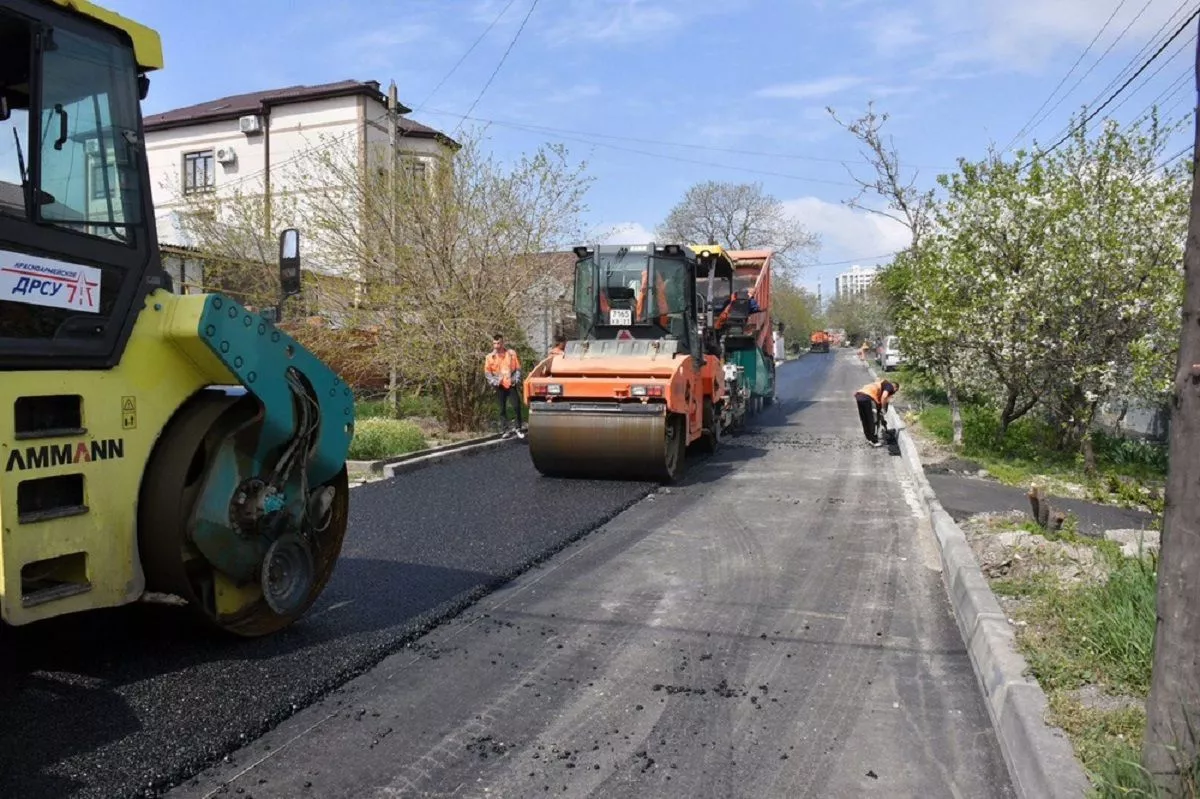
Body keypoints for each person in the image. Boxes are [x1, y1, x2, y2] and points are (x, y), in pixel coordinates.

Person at [485, 333, 525, 439]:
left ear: (502, 343)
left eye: (498, 343)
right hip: (499, 385)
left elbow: (517, 369)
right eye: (494, 343)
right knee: (502, 409)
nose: (496, 346)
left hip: (511, 384)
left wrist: (515, 380)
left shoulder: (511, 354)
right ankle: (505, 429)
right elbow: (488, 373)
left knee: (516, 406)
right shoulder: (490, 357)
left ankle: (518, 427)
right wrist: (495, 382)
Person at [854, 377, 899, 447]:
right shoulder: (889, 386)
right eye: (895, 391)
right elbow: (884, 397)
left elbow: (880, 401)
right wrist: (883, 409)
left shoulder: (881, 384)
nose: (893, 393)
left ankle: (869, 438)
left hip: (859, 396)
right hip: (868, 397)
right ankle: (874, 441)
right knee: (873, 420)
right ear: (895, 388)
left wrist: (881, 412)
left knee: (865, 419)